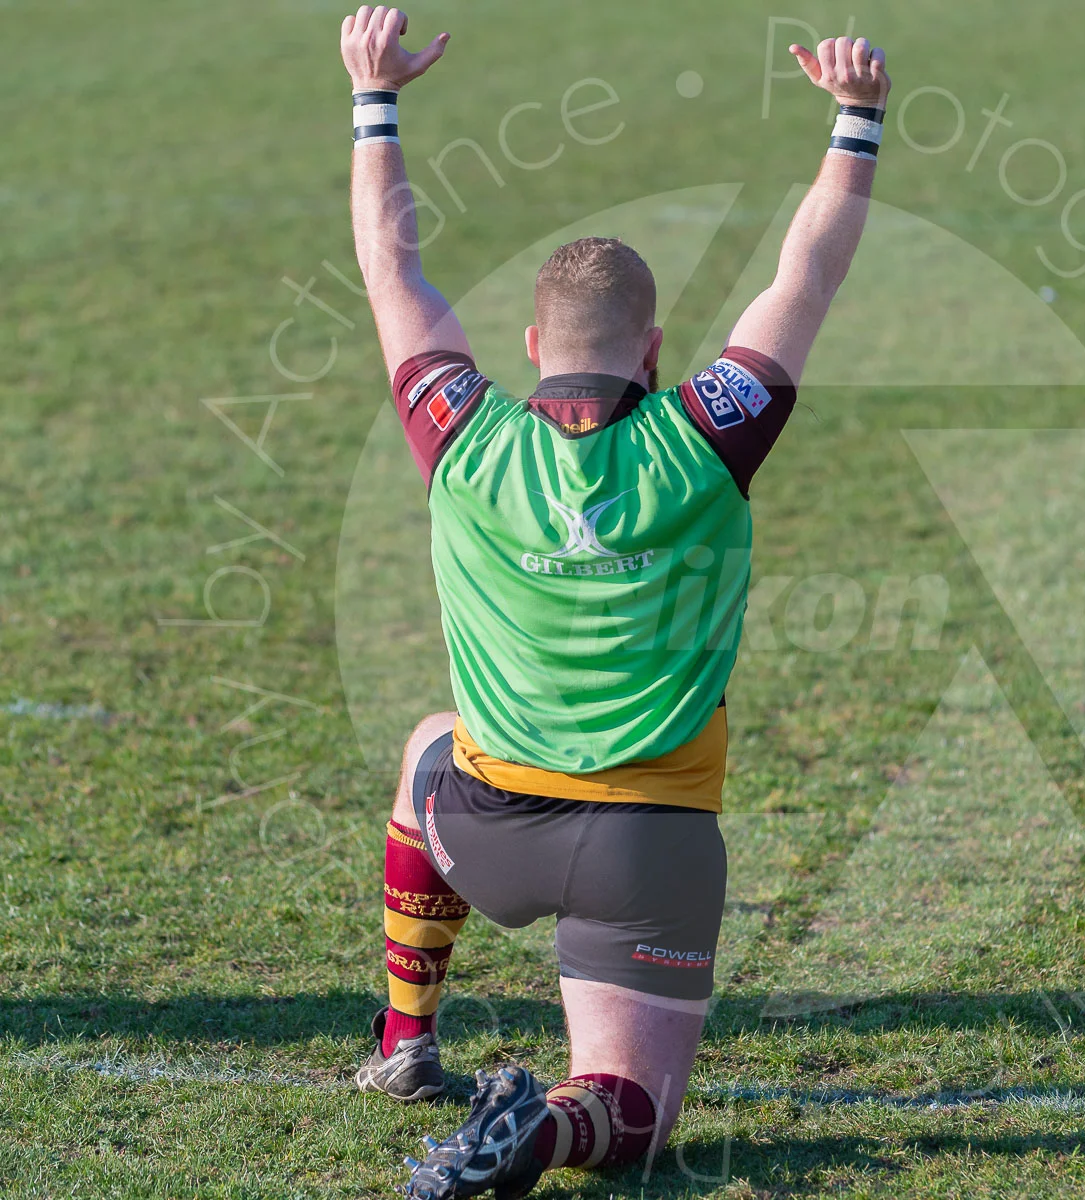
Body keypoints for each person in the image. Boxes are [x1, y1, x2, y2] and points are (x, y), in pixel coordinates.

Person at [337, 7, 890, 1197]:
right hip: (647, 849)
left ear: (534, 341)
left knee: (430, 739)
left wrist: (375, 100)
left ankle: (406, 1039)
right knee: (627, 1113)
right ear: (653, 351)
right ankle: (540, 1132)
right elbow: (808, 273)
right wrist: (858, 119)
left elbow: (390, 265)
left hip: (483, 830)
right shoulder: (707, 438)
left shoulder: (462, 437)